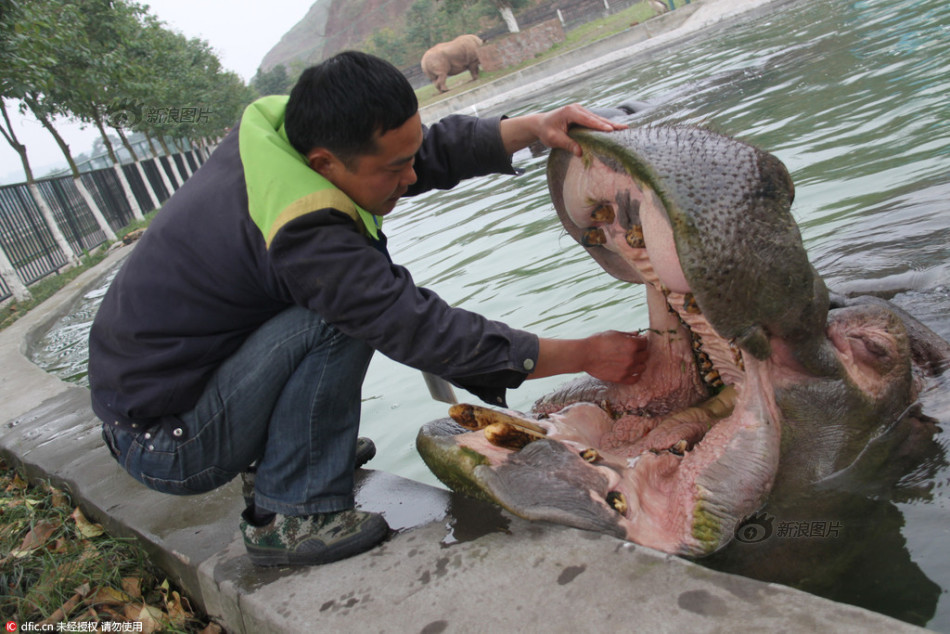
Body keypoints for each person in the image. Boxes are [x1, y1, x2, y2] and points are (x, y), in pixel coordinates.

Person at [88, 51, 648, 567]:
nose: (410, 177)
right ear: (324, 163)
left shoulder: (284, 140)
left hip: (170, 396)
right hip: (167, 442)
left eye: (411, 157)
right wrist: (586, 354)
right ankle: (291, 514)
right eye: (396, 169)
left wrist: (531, 128)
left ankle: (292, 454)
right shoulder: (305, 232)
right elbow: (418, 328)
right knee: (335, 319)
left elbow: (414, 153)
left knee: (336, 302)